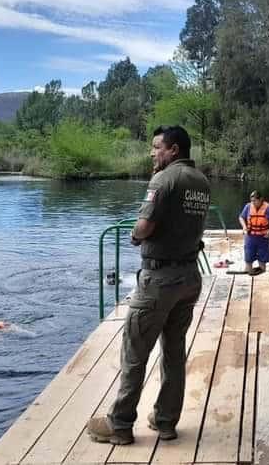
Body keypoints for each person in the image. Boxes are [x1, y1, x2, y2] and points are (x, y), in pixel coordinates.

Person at [87, 125, 211, 446]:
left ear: (173, 150)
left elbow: (144, 225)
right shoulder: (202, 182)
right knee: (173, 350)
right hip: (189, 277)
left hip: (160, 281)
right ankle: (166, 420)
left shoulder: (164, 179)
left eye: (157, 147)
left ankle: (120, 424)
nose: (152, 153)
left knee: (135, 351)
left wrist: (134, 236)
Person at [239, 190, 269, 275]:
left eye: (255, 200)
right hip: (250, 236)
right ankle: (248, 269)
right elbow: (241, 217)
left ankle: (261, 270)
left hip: (263, 237)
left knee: (263, 259)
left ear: (261, 199)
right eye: (252, 201)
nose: (253, 203)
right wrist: (244, 227)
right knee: (248, 255)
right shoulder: (248, 207)